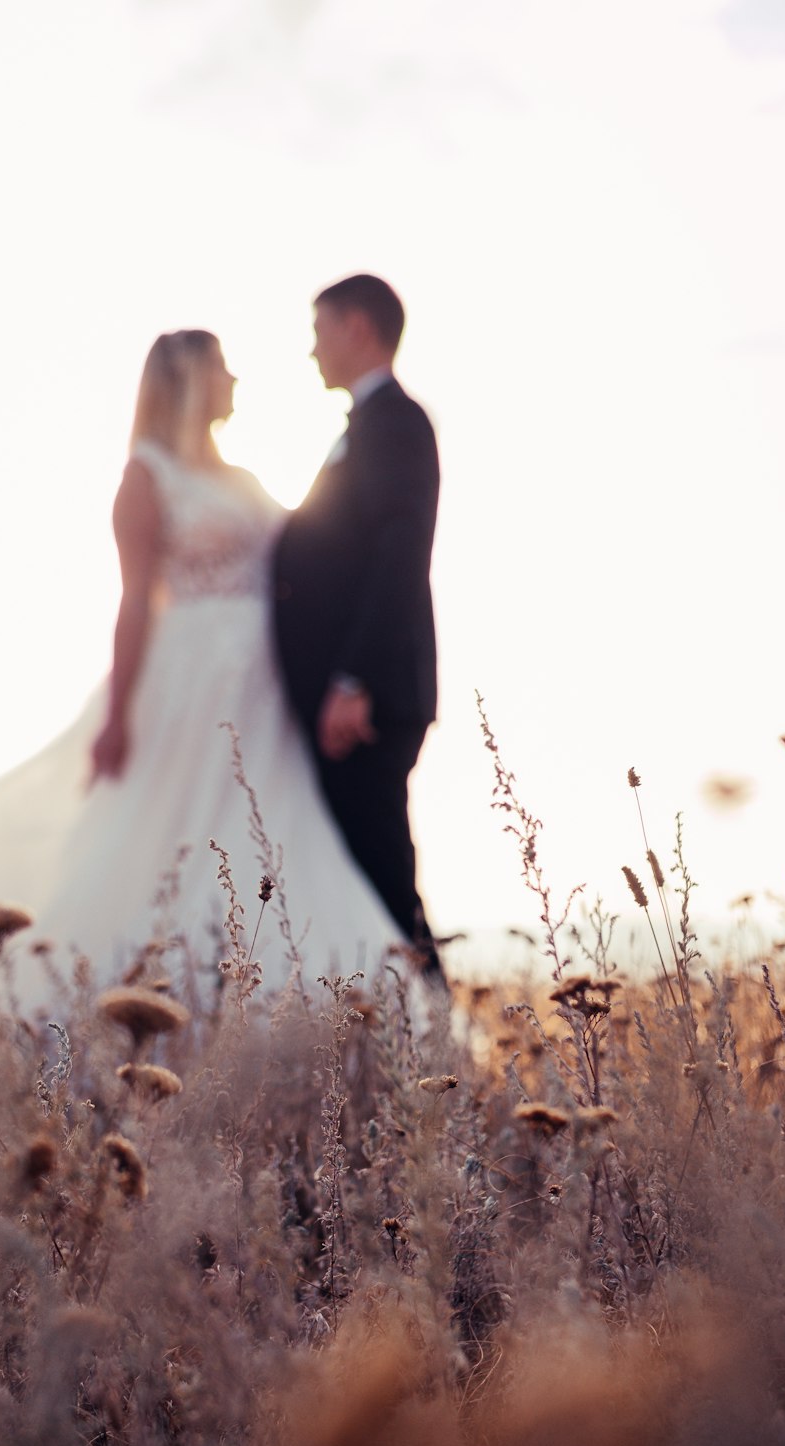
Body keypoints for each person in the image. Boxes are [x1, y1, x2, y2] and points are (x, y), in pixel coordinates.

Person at [0, 330, 402, 1012]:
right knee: (167, 837)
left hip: (268, 687)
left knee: (271, 832)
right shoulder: (146, 474)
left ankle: (303, 1006)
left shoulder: (241, 476)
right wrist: (118, 714)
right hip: (188, 682)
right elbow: (136, 598)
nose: (234, 380)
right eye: (222, 369)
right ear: (190, 381)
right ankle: (124, 1006)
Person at [273, 275, 442, 978]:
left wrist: (352, 681)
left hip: (367, 700)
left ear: (358, 328)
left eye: (320, 330)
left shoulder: (397, 423)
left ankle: (437, 1034)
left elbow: (398, 555)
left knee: (382, 877)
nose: (312, 350)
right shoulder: (364, 427)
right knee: (369, 874)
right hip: (354, 693)